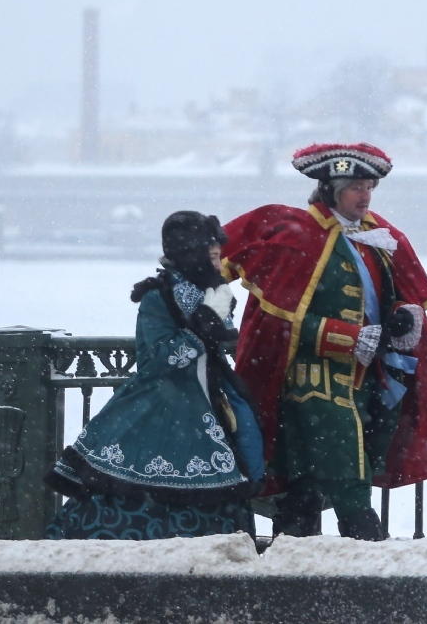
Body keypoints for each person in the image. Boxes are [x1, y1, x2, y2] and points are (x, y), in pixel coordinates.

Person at [222, 142, 427, 540]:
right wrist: (349, 338)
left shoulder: (379, 236)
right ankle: (367, 544)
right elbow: (284, 321)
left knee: (311, 476)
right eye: (356, 187)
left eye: (369, 187)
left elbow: (400, 297)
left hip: (371, 378)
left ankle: (294, 546)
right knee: (345, 463)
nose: (365, 196)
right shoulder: (297, 236)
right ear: (330, 190)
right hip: (313, 379)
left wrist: (404, 318)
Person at [44, 211, 266, 539]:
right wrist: (205, 322)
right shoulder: (157, 296)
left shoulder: (208, 290)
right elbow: (163, 358)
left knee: (232, 468)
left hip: (207, 400)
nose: (220, 266)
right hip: (161, 406)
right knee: (144, 485)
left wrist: (216, 314)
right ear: (192, 254)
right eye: (214, 256)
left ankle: (212, 554)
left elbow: (220, 340)